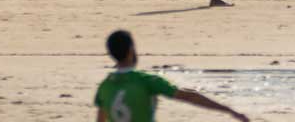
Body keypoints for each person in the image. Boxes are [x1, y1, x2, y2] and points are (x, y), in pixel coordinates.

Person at [94, 28, 248, 122]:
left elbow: (101, 119)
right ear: (130, 51)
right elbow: (190, 96)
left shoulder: (104, 86)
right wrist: (229, 110)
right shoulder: (146, 81)